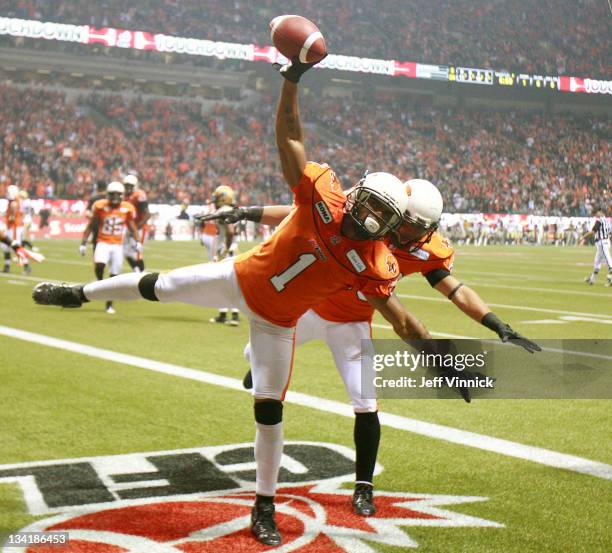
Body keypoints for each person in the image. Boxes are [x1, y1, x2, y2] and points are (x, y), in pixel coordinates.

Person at [32, 55, 436, 547]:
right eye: (368, 203)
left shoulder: (376, 262)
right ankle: (78, 293)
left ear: (392, 224)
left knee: (269, 410)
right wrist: (292, 79)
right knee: (156, 284)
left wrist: (437, 356)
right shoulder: (321, 197)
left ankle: (263, 505)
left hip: (278, 323)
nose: (369, 216)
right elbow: (289, 136)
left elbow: (401, 320)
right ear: (355, 194)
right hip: (238, 278)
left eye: (381, 214)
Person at [226, 180, 541, 516]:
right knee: (257, 357)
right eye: (405, 222)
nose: (405, 233)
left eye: (416, 227)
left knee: (366, 404)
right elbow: (297, 214)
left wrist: (497, 324)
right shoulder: (366, 211)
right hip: (310, 308)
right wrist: (248, 212)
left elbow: (456, 290)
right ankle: (258, 370)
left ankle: (364, 487)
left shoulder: (425, 248)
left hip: (353, 324)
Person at [78, 181, 140, 314]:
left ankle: (109, 304)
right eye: (112, 195)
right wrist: (83, 242)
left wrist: (137, 241)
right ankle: (100, 283)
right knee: (99, 265)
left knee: (114, 276)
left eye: (118, 195)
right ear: (107, 194)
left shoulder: (127, 208)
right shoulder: (100, 206)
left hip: (118, 245)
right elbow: (91, 225)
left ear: (122, 195)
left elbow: (132, 226)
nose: (115, 198)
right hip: (103, 242)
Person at [208, 185, 240, 326]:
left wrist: (224, 249)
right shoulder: (233, 209)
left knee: (221, 284)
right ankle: (233, 315)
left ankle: (225, 315)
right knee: (231, 284)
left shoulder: (223, 211)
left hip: (226, 250)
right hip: (234, 249)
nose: (214, 200)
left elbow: (230, 231)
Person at [122, 174, 150, 273]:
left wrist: (137, 228)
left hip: (140, 228)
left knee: (137, 253)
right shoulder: (123, 196)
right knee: (125, 252)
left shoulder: (139, 195)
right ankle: (136, 271)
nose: (128, 188)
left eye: (130, 186)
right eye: (126, 186)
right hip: (130, 228)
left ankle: (143, 274)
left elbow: (147, 215)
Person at [2, 184, 29, 274]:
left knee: (15, 247)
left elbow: (12, 216)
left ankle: (26, 266)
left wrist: (10, 217)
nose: (7, 193)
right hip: (14, 227)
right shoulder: (16, 201)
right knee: (6, 247)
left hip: (14, 227)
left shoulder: (14, 202)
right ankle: (7, 266)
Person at [580, 210, 611, 287]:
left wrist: (583, 237)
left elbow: (593, 232)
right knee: (597, 262)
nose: (596, 214)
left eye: (596, 212)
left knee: (609, 261)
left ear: (600, 212)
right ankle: (592, 279)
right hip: (604, 242)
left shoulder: (599, 220)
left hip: (602, 243)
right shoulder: (608, 221)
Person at [85, 180, 109, 250]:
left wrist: (94, 218)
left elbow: (87, 213)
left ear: (97, 188)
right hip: (108, 226)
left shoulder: (94, 198)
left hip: (96, 227)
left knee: (97, 250)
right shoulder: (110, 198)